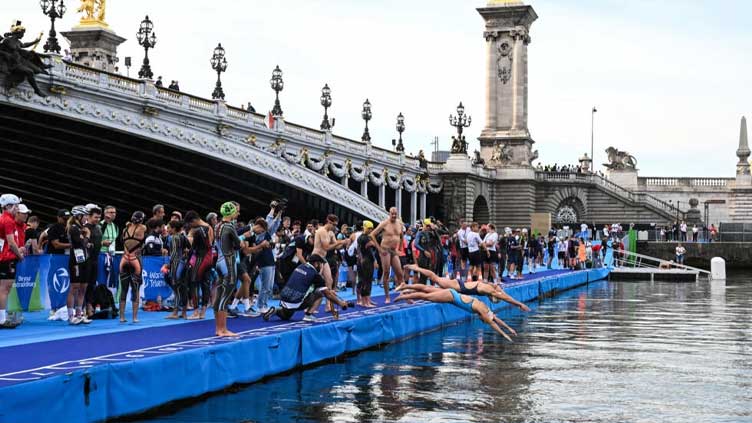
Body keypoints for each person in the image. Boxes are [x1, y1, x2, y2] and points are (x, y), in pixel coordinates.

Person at [394, 283, 516, 341]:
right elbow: (493, 323)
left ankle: (405, 287)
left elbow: (495, 319)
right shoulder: (482, 311)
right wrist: (504, 334)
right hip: (451, 296)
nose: (483, 320)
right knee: (427, 296)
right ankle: (404, 295)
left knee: (427, 289)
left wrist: (509, 329)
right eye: (484, 321)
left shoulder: (485, 308)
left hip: (452, 295)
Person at [262, 254, 352, 322]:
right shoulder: (315, 275)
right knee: (320, 294)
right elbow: (327, 294)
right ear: (317, 264)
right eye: (321, 265)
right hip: (295, 302)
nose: (322, 267)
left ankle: (276, 310)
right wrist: (341, 303)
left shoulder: (300, 266)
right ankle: (308, 314)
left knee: (286, 316)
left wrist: (328, 291)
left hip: (283, 299)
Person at [405, 264, 530, 312]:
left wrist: (519, 304)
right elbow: (505, 297)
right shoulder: (488, 290)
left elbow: (501, 292)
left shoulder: (490, 287)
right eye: (493, 299)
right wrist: (519, 304)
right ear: (492, 297)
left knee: (429, 288)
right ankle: (416, 269)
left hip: (459, 286)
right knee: (434, 278)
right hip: (458, 286)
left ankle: (408, 288)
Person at [214, 202, 249, 336]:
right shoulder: (229, 226)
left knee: (219, 295)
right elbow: (238, 245)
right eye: (236, 211)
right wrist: (241, 242)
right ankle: (223, 329)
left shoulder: (217, 225)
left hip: (219, 261)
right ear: (231, 213)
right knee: (226, 295)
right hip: (228, 262)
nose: (237, 214)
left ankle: (218, 329)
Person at [313, 214, 350, 310]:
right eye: (334, 225)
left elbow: (336, 246)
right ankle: (309, 306)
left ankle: (328, 305)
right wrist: (341, 242)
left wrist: (344, 243)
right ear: (329, 222)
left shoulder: (331, 233)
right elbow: (326, 247)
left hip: (323, 258)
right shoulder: (321, 231)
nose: (335, 227)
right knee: (314, 283)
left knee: (329, 281)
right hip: (316, 258)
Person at [119, 211, 147, 323]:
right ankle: (135, 318)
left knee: (124, 289)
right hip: (136, 259)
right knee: (135, 289)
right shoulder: (142, 228)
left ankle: (122, 317)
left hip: (124, 259)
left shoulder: (125, 229)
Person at [185, 211, 214, 320]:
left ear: (193, 221)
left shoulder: (196, 230)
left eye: (190, 224)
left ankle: (196, 311)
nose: (190, 226)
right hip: (209, 257)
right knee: (205, 283)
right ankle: (203, 312)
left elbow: (190, 245)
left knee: (193, 282)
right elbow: (210, 243)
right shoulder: (209, 227)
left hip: (200, 258)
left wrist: (189, 235)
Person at [0, 195, 23, 328]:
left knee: (3, 289)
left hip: (3, 257)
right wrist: (19, 255)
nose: (17, 209)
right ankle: (2, 320)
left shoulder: (2, 218)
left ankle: (2, 317)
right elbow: (11, 242)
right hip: (7, 258)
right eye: (16, 206)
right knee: (5, 289)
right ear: (8, 206)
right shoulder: (8, 220)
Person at [66, 206, 92, 325]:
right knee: (74, 288)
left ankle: (79, 314)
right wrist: (87, 237)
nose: (87, 218)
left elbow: (85, 245)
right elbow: (80, 243)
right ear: (79, 216)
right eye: (85, 215)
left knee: (83, 288)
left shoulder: (82, 228)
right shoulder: (74, 228)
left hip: (85, 260)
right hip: (76, 261)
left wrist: (86, 240)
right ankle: (71, 316)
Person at [165, 220, 189, 320]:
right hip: (183, 263)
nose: (167, 229)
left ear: (174, 229)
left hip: (176, 263)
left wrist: (169, 265)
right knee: (183, 288)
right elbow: (190, 249)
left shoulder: (174, 237)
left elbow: (174, 253)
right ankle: (183, 312)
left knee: (177, 288)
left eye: (169, 228)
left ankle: (175, 312)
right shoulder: (183, 237)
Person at [83, 206, 102, 318]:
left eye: (99, 217)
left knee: (92, 284)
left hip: (95, 260)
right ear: (89, 216)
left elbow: (97, 242)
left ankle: (90, 306)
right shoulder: (85, 228)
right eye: (95, 217)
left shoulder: (98, 228)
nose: (98, 219)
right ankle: (86, 308)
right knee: (85, 285)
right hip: (86, 261)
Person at [357, 220, 378, 307]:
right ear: (365, 228)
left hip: (363, 260)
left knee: (364, 280)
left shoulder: (360, 237)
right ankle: (366, 302)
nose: (370, 230)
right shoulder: (366, 238)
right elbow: (370, 251)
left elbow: (359, 249)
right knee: (367, 281)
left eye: (371, 229)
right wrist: (375, 261)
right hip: (367, 260)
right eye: (369, 228)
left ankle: (364, 300)